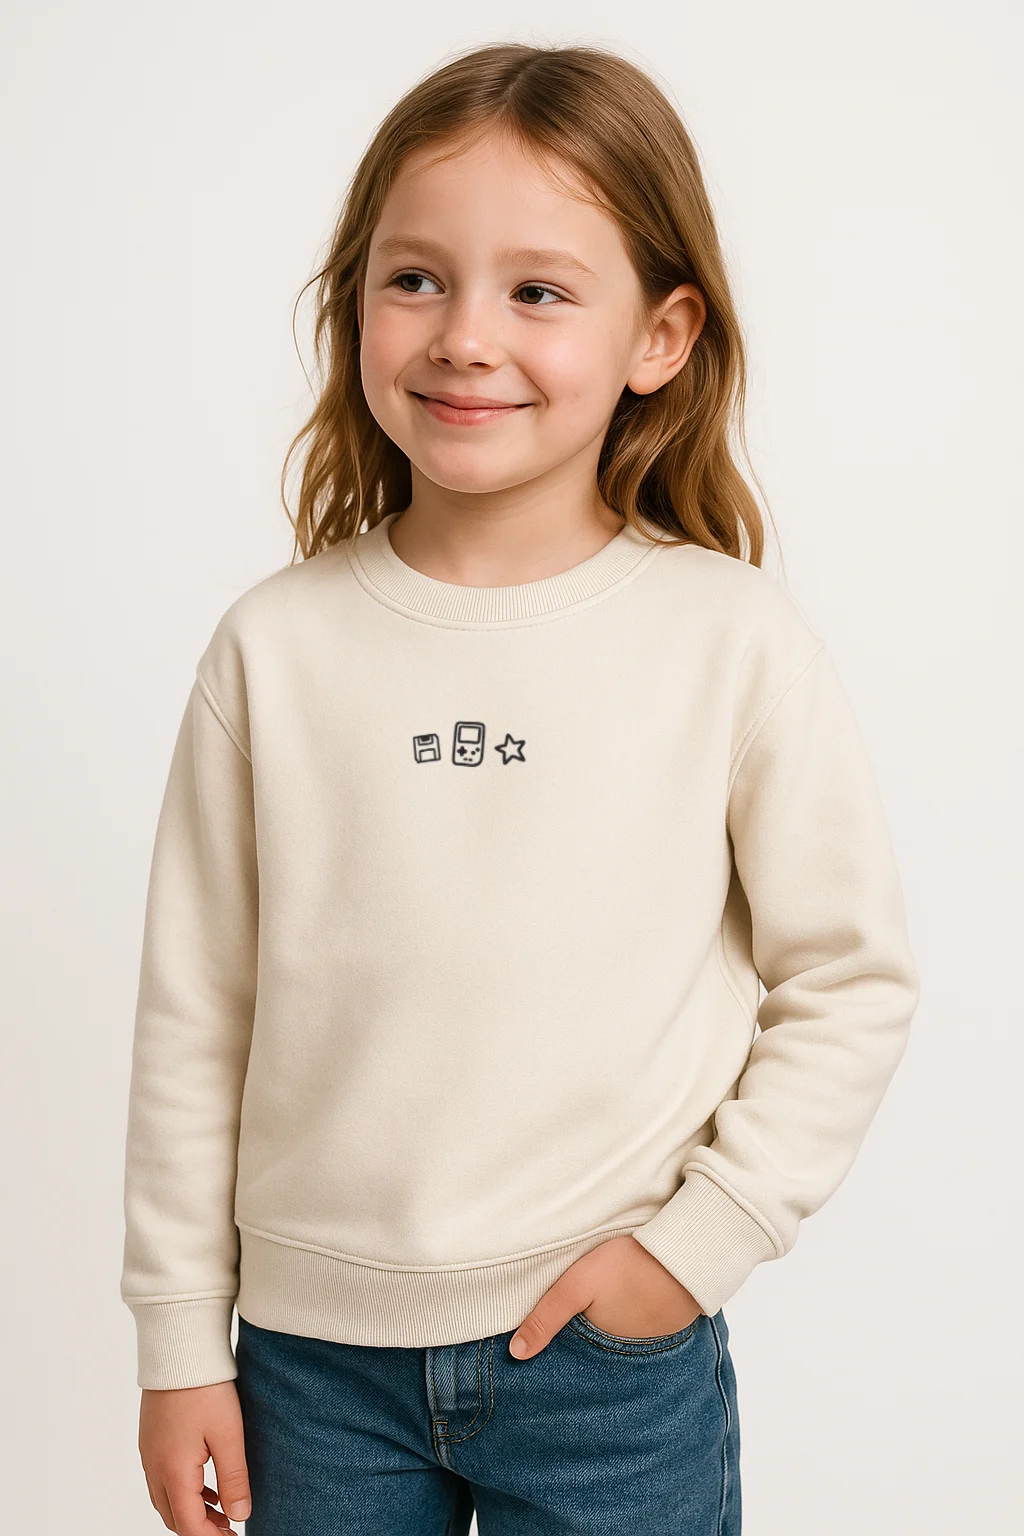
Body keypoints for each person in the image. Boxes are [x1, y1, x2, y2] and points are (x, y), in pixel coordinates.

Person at [120, 40, 920, 1536]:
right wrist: (179, 1342)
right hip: (308, 1370)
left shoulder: (729, 639)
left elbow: (850, 977)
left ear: (661, 334)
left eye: (538, 291)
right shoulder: (276, 650)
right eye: (414, 279)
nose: (464, 338)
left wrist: (693, 1251)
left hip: (610, 1364)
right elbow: (194, 1017)